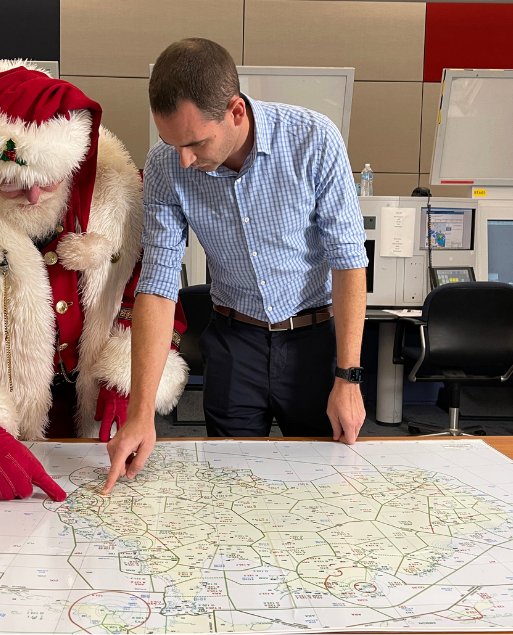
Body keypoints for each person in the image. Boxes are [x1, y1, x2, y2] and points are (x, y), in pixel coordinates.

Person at [0, 61, 190, 503]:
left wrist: (130, 382)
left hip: (96, 423)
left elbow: (146, 290)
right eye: (13, 183)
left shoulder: (121, 196)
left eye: (48, 180)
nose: (35, 196)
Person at [103, 38, 369, 494]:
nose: (183, 159)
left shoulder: (313, 139)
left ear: (236, 112)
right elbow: (159, 283)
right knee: (230, 492)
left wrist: (348, 377)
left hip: (314, 344)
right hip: (233, 344)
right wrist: (141, 412)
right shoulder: (168, 165)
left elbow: (348, 263)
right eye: (172, 142)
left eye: (195, 142)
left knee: (326, 487)